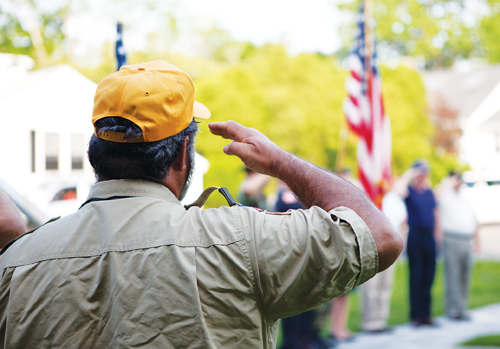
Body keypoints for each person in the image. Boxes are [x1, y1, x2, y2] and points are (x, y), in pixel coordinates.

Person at [0, 60, 403, 348]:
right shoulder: (241, 241)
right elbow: (378, 235)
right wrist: (281, 162)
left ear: (95, 154)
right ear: (181, 154)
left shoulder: (16, 264)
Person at [276, 182, 329, 349]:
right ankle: (294, 340)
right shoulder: (283, 198)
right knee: (293, 302)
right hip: (291, 254)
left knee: (311, 300)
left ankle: (309, 336)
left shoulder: (306, 196)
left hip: (309, 253)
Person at [361, 179, 408, 333]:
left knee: (385, 286)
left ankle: (381, 320)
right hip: (373, 244)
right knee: (371, 286)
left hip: (390, 246)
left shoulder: (393, 199)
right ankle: (369, 321)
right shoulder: (371, 195)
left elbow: (401, 221)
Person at [402, 160, 440, 326]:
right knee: (416, 276)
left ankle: (426, 314)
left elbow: (436, 214)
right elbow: (399, 190)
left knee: (428, 276)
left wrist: (437, 237)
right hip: (415, 236)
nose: (423, 175)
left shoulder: (429, 193)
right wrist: (410, 174)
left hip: (429, 237)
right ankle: (416, 315)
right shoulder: (409, 191)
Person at [438, 172, 479, 320]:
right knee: (453, 274)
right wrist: (449, 182)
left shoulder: (465, 199)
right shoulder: (446, 196)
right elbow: (438, 193)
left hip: (467, 240)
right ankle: (453, 309)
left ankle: (462, 308)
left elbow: (474, 220)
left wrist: (477, 241)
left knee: (465, 275)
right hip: (452, 239)